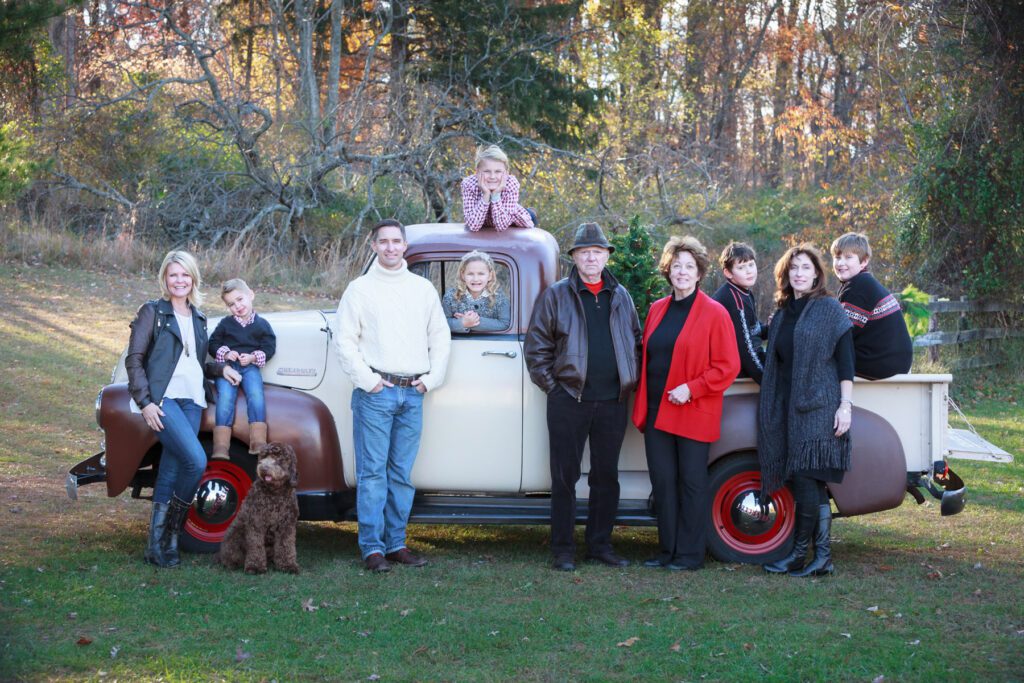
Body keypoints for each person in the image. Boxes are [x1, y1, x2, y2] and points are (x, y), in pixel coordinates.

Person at [335, 219, 452, 572]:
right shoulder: (359, 289)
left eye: (395, 241)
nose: (389, 247)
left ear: (405, 246)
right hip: (376, 393)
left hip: (412, 393)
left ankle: (396, 543)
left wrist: (430, 380)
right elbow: (345, 340)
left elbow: (440, 336)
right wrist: (367, 380)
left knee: (401, 473)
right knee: (373, 474)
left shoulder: (422, 289)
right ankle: (372, 548)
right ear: (373, 246)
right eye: (383, 241)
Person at [525, 222, 642, 571]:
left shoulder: (621, 296)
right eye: (584, 252)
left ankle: (600, 545)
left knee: (606, 477)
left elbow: (635, 340)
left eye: (597, 252)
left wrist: (628, 379)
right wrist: (554, 388)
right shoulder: (556, 295)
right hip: (569, 400)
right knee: (564, 476)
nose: (591, 257)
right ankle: (563, 549)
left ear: (606, 256)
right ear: (574, 257)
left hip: (612, 402)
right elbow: (537, 347)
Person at [125, 251, 241, 568]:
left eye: (185, 275)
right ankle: (171, 534)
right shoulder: (153, 312)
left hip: (193, 400)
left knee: (174, 468)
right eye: (174, 275)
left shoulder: (199, 317)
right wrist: (146, 402)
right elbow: (134, 359)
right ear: (165, 278)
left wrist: (221, 369)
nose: (179, 281)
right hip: (165, 400)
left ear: (193, 279)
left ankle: (160, 544)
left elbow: (196, 361)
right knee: (196, 460)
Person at [632, 236, 740, 571]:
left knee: (691, 484)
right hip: (656, 411)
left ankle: (689, 555)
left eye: (688, 267)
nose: (681, 272)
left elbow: (728, 366)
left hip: (692, 410)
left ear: (699, 273)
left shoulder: (714, 312)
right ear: (668, 270)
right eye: (676, 265)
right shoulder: (657, 309)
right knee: (663, 484)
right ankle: (667, 551)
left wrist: (692, 389)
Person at [758, 244, 854, 578]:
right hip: (787, 406)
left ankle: (800, 555)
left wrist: (845, 406)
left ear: (816, 273)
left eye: (805, 267)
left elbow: (846, 362)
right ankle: (821, 557)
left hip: (820, 404)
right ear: (785, 275)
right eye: (793, 268)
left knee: (805, 479)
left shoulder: (829, 309)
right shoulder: (782, 314)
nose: (799, 273)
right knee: (812, 485)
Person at [209, 278, 277, 459]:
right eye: (231, 304)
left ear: (251, 295)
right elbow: (213, 343)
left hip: (249, 367)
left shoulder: (262, 325)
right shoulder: (226, 324)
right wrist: (226, 353)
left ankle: (258, 441)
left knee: (256, 394)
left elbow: (269, 347)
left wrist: (254, 357)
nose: (237, 306)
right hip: (228, 368)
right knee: (225, 398)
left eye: (240, 299)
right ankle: (221, 446)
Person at [831, 232, 913, 379]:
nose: (840, 263)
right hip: (895, 361)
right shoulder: (862, 282)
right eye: (837, 257)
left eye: (848, 257)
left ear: (864, 262)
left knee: (822, 361)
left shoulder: (858, 288)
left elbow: (840, 334)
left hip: (881, 362)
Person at [711, 241, 766, 383]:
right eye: (741, 267)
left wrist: (774, 326)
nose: (749, 271)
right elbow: (745, 349)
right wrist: (766, 381)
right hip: (733, 370)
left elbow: (753, 329)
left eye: (751, 265)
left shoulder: (744, 292)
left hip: (747, 359)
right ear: (728, 273)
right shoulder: (733, 299)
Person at [460, 145, 536, 231]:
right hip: (486, 221)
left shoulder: (510, 183)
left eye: (498, 171)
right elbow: (473, 226)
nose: (492, 176)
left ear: (506, 173)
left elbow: (502, 226)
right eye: (487, 171)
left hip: (513, 219)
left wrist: (496, 195)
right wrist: (486, 195)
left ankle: (531, 212)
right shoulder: (469, 184)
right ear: (477, 172)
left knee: (528, 214)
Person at [442, 250, 511, 333]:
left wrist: (472, 322)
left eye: (481, 274)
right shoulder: (451, 296)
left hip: (489, 344)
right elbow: (441, 323)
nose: (475, 279)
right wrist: (461, 323)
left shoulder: (499, 297)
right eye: (470, 274)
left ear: (490, 275)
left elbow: (505, 324)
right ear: (463, 275)